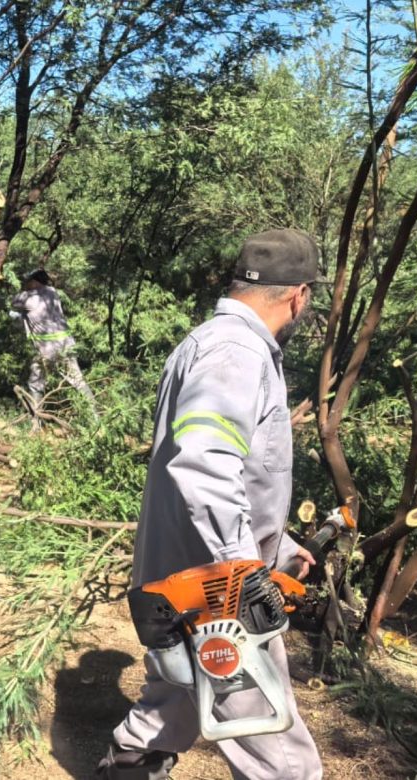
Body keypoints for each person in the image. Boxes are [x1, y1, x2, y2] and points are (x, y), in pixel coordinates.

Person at [99, 229, 325, 780]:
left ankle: (129, 765)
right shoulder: (236, 351)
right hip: (215, 591)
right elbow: (203, 462)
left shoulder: (215, 344)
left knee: (175, 697)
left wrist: (279, 544)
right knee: (277, 750)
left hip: (189, 579)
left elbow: (239, 471)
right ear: (299, 296)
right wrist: (246, 571)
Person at [10, 269, 97, 425]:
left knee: (36, 384)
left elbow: (13, 302)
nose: (26, 284)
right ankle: (97, 419)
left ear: (35, 282)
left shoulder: (30, 299)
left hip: (47, 349)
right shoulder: (52, 292)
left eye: (28, 281)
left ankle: (35, 423)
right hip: (66, 345)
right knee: (78, 381)